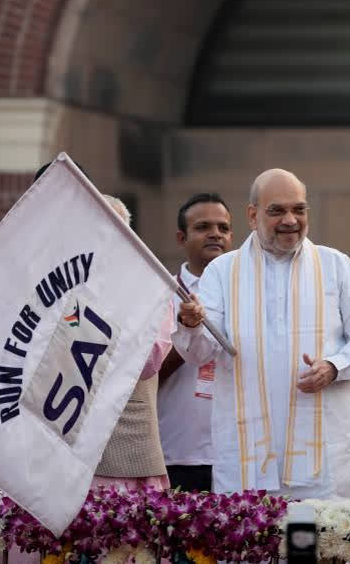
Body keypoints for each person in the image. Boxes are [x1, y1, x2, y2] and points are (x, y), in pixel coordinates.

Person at [176, 168, 350, 498]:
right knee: (251, 548)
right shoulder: (222, 271)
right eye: (277, 211)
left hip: (323, 461)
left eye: (299, 209)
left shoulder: (335, 265)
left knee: (322, 547)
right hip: (247, 458)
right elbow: (200, 352)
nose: (290, 220)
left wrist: (334, 366)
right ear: (252, 214)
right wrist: (190, 324)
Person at [91, 195, 175, 491]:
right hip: (69, 451)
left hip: (131, 447)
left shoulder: (152, 286)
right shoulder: (61, 287)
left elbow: (150, 361)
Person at [157, 193, 233, 492]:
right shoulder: (161, 294)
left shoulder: (247, 295)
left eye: (223, 228)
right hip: (177, 451)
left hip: (234, 453)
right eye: (203, 227)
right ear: (181, 236)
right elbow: (144, 375)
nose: (215, 234)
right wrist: (189, 334)